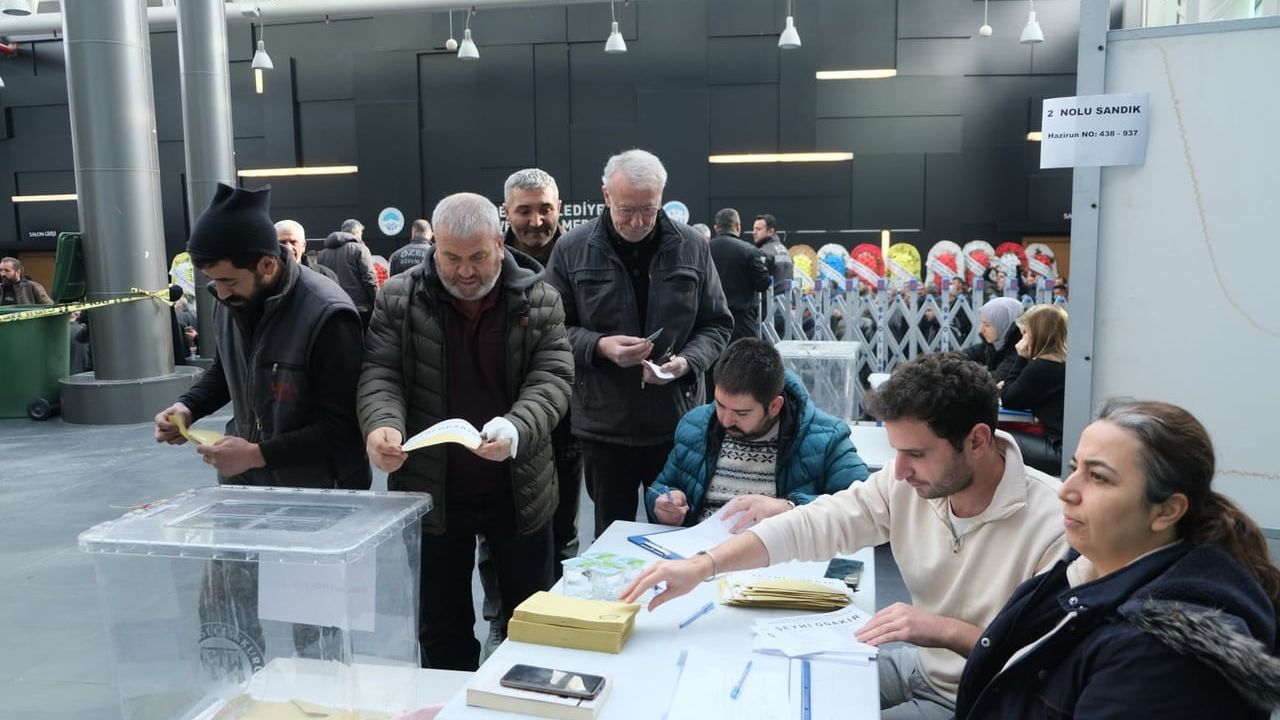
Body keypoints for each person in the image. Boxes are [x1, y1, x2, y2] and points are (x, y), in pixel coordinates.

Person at [622, 352, 1068, 720]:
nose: (900, 470)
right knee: (774, 692)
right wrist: (704, 565)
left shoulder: (1054, 525)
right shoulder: (906, 484)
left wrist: (945, 630)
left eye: (916, 453)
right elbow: (814, 523)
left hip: (987, 700)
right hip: (924, 665)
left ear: (977, 440)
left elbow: (1057, 662)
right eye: (896, 451)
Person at [152, 183, 370, 665]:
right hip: (244, 487)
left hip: (317, 496)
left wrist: (255, 453)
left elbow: (343, 426)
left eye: (228, 281)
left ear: (267, 265)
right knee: (227, 611)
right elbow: (226, 370)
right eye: (211, 282)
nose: (219, 292)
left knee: (314, 629)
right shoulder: (231, 299)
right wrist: (187, 408)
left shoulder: (328, 315)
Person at [954, 400, 1280, 719]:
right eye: (1074, 468)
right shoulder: (1083, 570)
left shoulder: (1160, 657)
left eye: (1098, 477)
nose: (1065, 491)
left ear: (1167, 511)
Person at [358, 192, 573, 671]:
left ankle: (527, 700)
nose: (466, 271)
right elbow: (381, 373)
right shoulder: (398, 297)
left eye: (478, 256)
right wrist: (382, 425)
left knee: (531, 620)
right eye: (451, 258)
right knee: (440, 626)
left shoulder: (540, 298)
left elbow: (554, 378)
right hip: (433, 489)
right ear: (435, 247)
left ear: (500, 243)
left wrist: (517, 428)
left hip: (519, 486)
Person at [546, 149, 732, 537]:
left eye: (649, 209)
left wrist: (686, 363)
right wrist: (600, 346)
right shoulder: (571, 249)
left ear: (662, 198)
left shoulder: (692, 246)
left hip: (676, 420)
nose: (638, 221)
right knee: (612, 537)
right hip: (604, 425)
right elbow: (552, 329)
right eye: (627, 209)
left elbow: (716, 324)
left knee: (682, 533)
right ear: (606, 196)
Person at [474, 168, 586, 656]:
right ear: (507, 212)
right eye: (525, 209)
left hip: (566, 418)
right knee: (494, 528)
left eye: (545, 208)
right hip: (498, 420)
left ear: (560, 206)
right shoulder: (488, 258)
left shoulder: (581, 255)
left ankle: (555, 613)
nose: (536, 219)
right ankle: (501, 617)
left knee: (561, 526)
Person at [646, 338, 869, 527]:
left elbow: (865, 505)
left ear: (774, 406)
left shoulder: (825, 437)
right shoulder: (696, 425)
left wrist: (790, 507)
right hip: (701, 558)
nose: (725, 420)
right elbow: (661, 488)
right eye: (720, 405)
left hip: (780, 563)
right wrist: (662, 505)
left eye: (741, 413)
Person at [999, 305, 1067, 475]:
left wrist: (1021, 358)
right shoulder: (1062, 362)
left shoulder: (1042, 366)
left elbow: (1009, 399)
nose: (1023, 337)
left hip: (1058, 451)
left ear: (1037, 334)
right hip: (1068, 445)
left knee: (993, 438)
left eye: (1026, 332)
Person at [317, 228, 378, 328]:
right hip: (361, 308)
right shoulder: (360, 249)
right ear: (355, 232)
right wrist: (377, 303)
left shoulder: (322, 254)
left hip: (334, 308)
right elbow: (369, 279)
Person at [963, 297, 1023, 382]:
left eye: (987, 325)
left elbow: (995, 379)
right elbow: (964, 355)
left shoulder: (1021, 351)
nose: (981, 329)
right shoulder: (992, 345)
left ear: (1003, 325)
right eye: (981, 323)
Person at [751, 213, 792, 291]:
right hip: (787, 299)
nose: (754, 232)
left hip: (770, 299)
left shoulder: (763, 252)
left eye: (758, 229)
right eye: (753, 229)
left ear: (770, 231)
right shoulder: (784, 250)